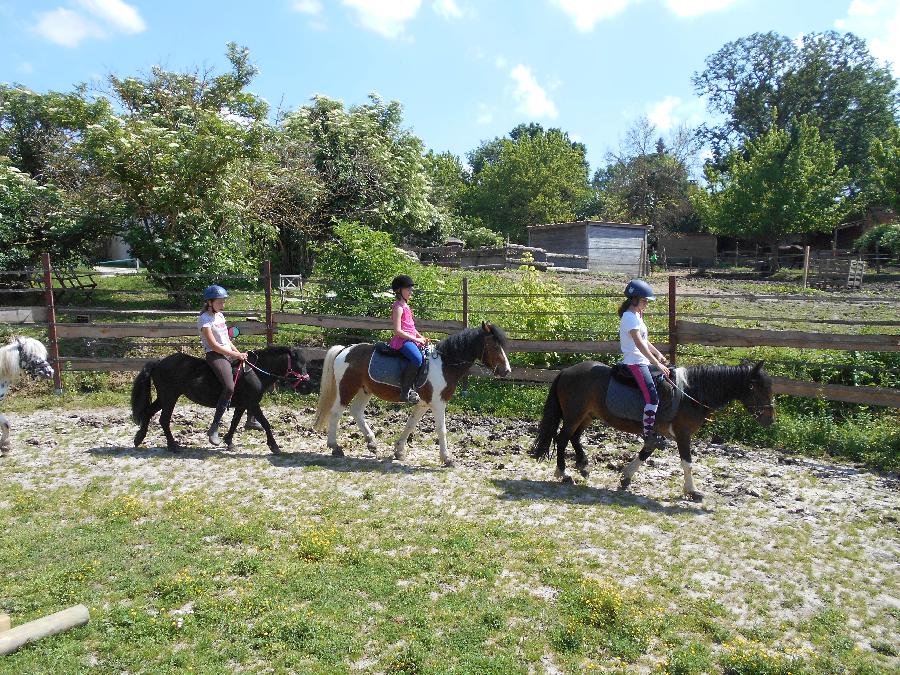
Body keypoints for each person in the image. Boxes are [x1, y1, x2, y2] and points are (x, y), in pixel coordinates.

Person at [618, 278, 670, 448]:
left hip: (642, 360)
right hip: (634, 362)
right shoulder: (629, 318)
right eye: (644, 300)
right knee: (652, 398)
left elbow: (645, 341)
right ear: (634, 299)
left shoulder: (637, 316)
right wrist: (656, 363)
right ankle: (648, 435)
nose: (647, 303)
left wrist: (658, 354)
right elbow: (639, 344)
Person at [199, 284, 248, 445]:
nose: (223, 304)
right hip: (215, 356)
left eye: (223, 301)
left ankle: (252, 418)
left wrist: (239, 353)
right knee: (229, 387)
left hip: (228, 352)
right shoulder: (205, 319)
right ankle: (214, 427)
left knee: (250, 377)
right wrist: (235, 354)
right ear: (210, 302)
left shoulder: (220, 316)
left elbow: (227, 340)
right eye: (220, 302)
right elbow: (214, 346)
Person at [389, 274, 428, 404]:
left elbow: (410, 327)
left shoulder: (406, 306)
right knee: (417, 359)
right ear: (399, 291)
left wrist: (420, 336)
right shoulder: (398, 308)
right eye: (408, 289)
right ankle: (405, 392)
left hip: (410, 339)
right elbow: (398, 331)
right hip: (402, 341)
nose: (411, 292)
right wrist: (416, 340)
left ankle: (419, 386)